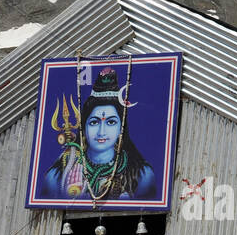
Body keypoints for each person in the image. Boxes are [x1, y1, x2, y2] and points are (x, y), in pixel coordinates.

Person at [40, 66, 156, 201]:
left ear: (121, 128)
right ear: (84, 127)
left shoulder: (141, 175)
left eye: (111, 122)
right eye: (94, 122)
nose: (102, 132)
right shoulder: (57, 176)